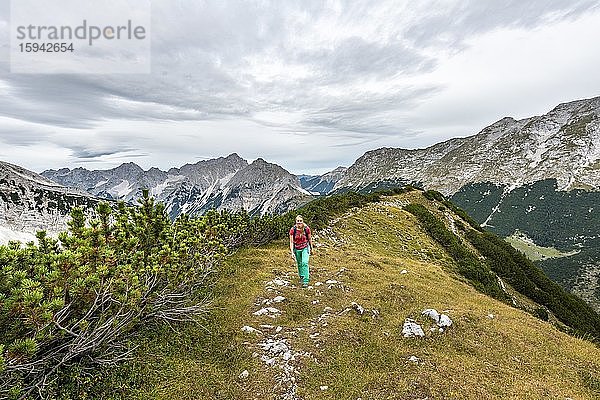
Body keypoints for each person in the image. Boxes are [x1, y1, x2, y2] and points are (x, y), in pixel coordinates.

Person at [289, 215, 314, 287]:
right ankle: (302, 276)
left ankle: (306, 281)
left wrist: (311, 248)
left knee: (304, 262)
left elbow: (309, 239)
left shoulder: (306, 229)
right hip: (297, 248)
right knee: (299, 263)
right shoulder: (293, 230)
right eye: (298, 221)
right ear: (296, 222)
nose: (299, 222)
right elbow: (291, 241)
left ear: (302, 221)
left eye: (300, 221)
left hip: (305, 247)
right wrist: (292, 252)